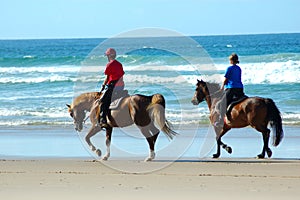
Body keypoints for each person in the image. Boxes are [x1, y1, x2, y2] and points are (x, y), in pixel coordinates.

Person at [214, 53, 244, 128]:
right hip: (240, 88)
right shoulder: (239, 68)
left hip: (232, 88)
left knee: (222, 103)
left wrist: (222, 87)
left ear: (231, 60)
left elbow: (226, 79)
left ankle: (221, 121)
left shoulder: (229, 68)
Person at [98, 48, 125, 128]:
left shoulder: (109, 64)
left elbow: (107, 78)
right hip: (121, 86)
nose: (107, 57)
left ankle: (103, 120)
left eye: (107, 55)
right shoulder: (119, 64)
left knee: (103, 102)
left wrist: (103, 85)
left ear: (109, 56)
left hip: (113, 87)